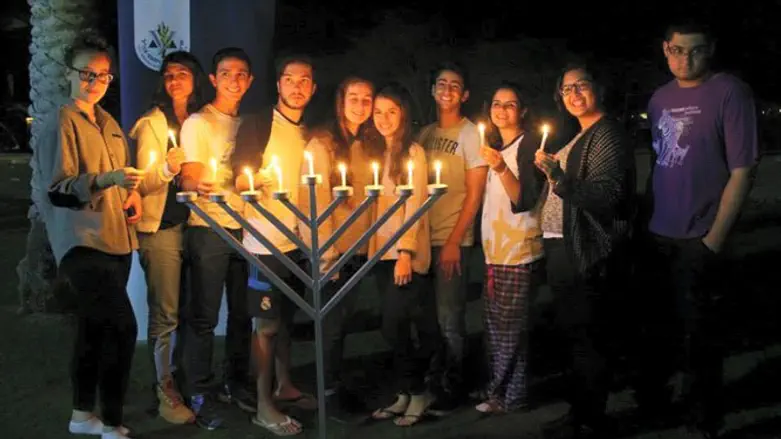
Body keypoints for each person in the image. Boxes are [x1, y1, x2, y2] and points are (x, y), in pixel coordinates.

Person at [633, 22, 758, 439]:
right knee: (662, 332)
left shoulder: (729, 92)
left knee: (701, 337)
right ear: (665, 49)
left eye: (695, 51)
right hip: (659, 233)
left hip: (700, 236)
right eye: (676, 50)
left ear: (711, 50)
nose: (684, 59)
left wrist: (714, 240)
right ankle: (665, 407)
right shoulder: (659, 99)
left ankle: (705, 419)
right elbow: (660, 162)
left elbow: (743, 170)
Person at [38, 32, 143, 439]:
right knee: (122, 326)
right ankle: (113, 422)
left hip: (117, 241)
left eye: (103, 75)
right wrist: (108, 179)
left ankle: (82, 416)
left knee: (95, 329)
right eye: (86, 73)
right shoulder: (62, 121)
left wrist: (129, 194)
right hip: (83, 243)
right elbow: (59, 189)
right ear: (68, 74)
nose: (95, 81)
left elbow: (116, 181)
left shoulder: (110, 123)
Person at [531, 64, 635, 439]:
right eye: (566, 88)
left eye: (581, 85)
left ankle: (592, 419)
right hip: (563, 250)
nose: (573, 94)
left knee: (589, 339)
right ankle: (580, 412)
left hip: (587, 252)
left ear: (598, 88)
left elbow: (607, 198)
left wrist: (558, 178)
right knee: (575, 337)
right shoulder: (582, 134)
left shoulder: (607, 134)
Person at [232, 55, 319, 436]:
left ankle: (285, 385)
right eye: (289, 79)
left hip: (301, 241)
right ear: (278, 84)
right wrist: (252, 182)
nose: (297, 87)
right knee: (265, 325)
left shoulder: (311, 133)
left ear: (313, 88)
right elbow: (238, 178)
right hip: (264, 241)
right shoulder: (259, 123)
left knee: (286, 320)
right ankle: (264, 405)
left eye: (305, 81)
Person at [130, 50, 208, 424]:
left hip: (192, 228)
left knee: (190, 312)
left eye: (182, 73)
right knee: (166, 314)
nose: (174, 79)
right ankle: (165, 389)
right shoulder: (151, 124)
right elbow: (142, 182)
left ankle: (186, 380)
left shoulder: (198, 121)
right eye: (168, 74)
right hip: (160, 230)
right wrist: (166, 167)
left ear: (196, 79)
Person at [179, 47, 255, 430]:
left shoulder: (251, 124)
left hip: (249, 228)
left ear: (250, 80)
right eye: (226, 73)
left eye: (242, 74)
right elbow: (188, 176)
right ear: (213, 79)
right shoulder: (199, 123)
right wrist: (197, 182)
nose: (234, 80)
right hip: (208, 227)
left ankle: (237, 382)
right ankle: (199, 391)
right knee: (205, 316)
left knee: (244, 313)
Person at [297, 75, 376, 415]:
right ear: (340, 102)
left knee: (344, 324)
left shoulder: (372, 144)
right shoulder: (321, 145)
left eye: (367, 99)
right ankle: (327, 392)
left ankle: (337, 383)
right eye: (353, 98)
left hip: (361, 249)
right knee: (330, 326)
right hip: (333, 252)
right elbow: (309, 202)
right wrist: (324, 255)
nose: (360, 105)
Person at [366, 83, 440, 427]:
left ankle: (419, 391)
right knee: (389, 327)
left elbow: (416, 206)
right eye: (378, 111)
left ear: (403, 114)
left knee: (399, 324)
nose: (383, 118)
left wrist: (406, 252)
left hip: (403, 255)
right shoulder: (373, 152)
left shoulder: (413, 153)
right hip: (379, 253)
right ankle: (404, 393)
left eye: (391, 111)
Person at [417, 61, 488, 412]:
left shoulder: (470, 133)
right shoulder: (425, 133)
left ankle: (454, 384)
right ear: (433, 90)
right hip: (421, 240)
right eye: (441, 84)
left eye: (455, 85)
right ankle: (431, 380)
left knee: (450, 319)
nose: (447, 90)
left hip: (450, 239)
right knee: (428, 318)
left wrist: (453, 241)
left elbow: (474, 193)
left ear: (465, 94)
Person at [475, 83, 544, 414]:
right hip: (495, 253)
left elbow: (525, 198)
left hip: (518, 251)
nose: (502, 110)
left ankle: (504, 395)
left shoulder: (529, 144)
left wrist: (501, 167)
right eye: (497, 103)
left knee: (509, 330)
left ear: (523, 110)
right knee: (498, 328)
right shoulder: (493, 145)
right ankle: (507, 395)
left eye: (510, 104)